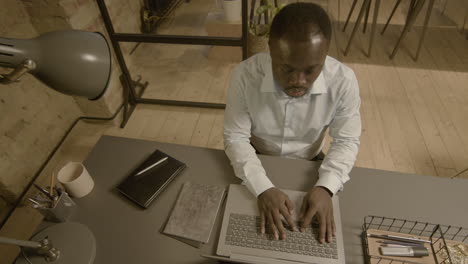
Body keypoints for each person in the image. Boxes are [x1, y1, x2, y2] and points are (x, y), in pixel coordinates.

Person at [223, 3, 361, 244]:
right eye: (286, 68)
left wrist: (326, 187)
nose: (298, 81)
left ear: (325, 54)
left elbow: (346, 140)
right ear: (271, 50)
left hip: (310, 164)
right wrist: (262, 188)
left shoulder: (343, 81)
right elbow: (235, 138)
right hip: (256, 158)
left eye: (311, 70)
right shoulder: (244, 76)